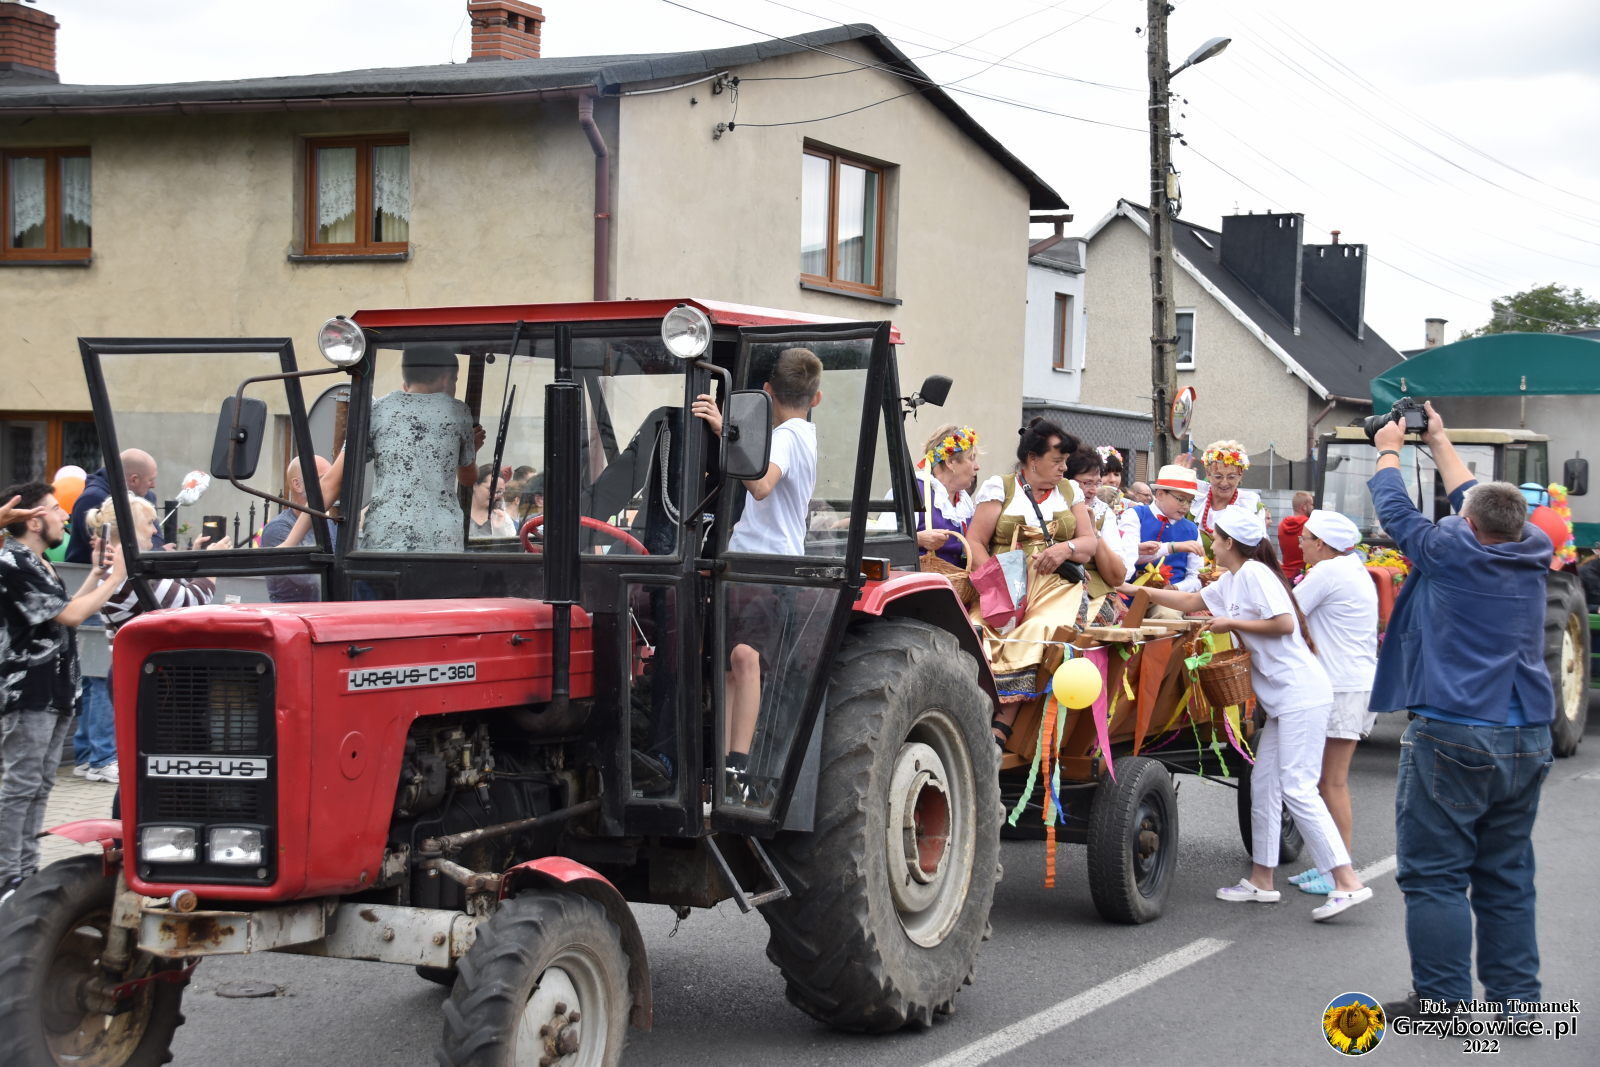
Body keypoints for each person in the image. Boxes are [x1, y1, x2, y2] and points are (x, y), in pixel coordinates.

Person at [1366, 402, 1555, 1023]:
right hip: (1527, 731)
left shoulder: (1450, 549)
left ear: (1467, 523)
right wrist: (1440, 440)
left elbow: (1395, 510)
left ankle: (1443, 1002)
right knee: (1507, 873)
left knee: (1436, 875)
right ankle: (1517, 1004)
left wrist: (1389, 449)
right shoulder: (1533, 549)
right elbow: (1478, 503)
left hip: (1454, 728)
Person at [1128, 505, 1371, 920]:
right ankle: (1262, 879)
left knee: (1297, 787)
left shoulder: (1256, 574)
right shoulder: (1234, 578)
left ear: (1230, 542)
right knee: (1263, 783)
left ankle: (1346, 881)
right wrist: (1139, 592)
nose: (1211, 545)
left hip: (1301, 693)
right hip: (1284, 699)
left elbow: (1284, 623)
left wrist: (1230, 624)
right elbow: (1191, 600)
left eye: (1216, 538)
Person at [692, 348, 822, 799]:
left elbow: (762, 485)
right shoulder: (804, 434)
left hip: (765, 564)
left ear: (766, 392)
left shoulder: (787, 435)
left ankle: (737, 767)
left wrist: (723, 431)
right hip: (754, 559)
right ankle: (723, 765)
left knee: (744, 659)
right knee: (732, 664)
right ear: (817, 397)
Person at [1, 481, 127, 904]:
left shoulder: (37, 563)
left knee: (39, 785)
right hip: (28, 693)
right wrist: (117, 579)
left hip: (54, 690)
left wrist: (97, 574)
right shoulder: (12, 562)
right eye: (56, 509)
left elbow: (60, 609)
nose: (65, 516)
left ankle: (25, 872)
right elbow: (71, 615)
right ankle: (8, 877)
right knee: (20, 786)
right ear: (35, 521)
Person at [965, 419, 1103, 743]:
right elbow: (974, 542)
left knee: (1037, 629)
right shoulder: (1000, 487)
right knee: (977, 630)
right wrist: (997, 583)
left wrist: (1064, 549)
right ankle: (970, 713)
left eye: (1065, 461)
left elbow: (1089, 543)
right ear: (1032, 459)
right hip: (1005, 585)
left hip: (1056, 588)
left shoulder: (1069, 491)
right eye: (1057, 460)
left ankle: (1002, 725)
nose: (1064, 468)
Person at [1283, 509, 1378, 897]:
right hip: (1348, 683)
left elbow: (1284, 613)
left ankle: (1340, 871)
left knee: (1332, 782)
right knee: (1324, 781)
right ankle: (1330, 863)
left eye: (1304, 538)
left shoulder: (1329, 572)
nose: (1300, 543)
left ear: (1321, 543)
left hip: (1343, 687)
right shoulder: (1349, 568)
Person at [358, 345, 480, 552]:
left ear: (406, 377)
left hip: (385, 537)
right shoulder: (458, 411)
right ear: (446, 377)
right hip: (441, 539)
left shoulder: (379, 409)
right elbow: (468, 479)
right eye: (456, 381)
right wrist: (472, 449)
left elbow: (346, 470)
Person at [257, 455, 335, 602]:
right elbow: (311, 579)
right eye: (323, 480)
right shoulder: (278, 529)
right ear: (297, 484)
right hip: (294, 613)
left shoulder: (328, 523)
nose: (330, 487)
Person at [1117, 465, 1205, 593]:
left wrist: (1175, 588)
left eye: (1190, 501)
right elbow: (1124, 559)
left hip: (1172, 598)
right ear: (1160, 494)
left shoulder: (1191, 529)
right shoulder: (1134, 515)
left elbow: (1196, 576)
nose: (1186, 506)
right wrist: (1171, 547)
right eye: (1181, 499)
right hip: (1130, 593)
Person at [65, 448, 161, 564]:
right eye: (150, 480)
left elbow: (156, 538)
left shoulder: (145, 496)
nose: (153, 485)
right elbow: (108, 547)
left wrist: (156, 550)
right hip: (88, 571)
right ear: (134, 480)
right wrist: (159, 551)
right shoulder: (92, 499)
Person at [915, 424, 980, 568]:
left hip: (959, 581)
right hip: (923, 580)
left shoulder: (964, 501)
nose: (977, 467)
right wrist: (918, 539)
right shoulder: (913, 492)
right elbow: (884, 543)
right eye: (971, 458)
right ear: (950, 462)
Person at [1186, 439, 1266, 548]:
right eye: (1218, 476)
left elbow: (1260, 548)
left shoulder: (1251, 507)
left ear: (1240, 475)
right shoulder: (1194, 500)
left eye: (1231, 477)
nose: (1224, 483)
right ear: (1208, 474)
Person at [468, 463, 517, 539]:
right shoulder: (460, 513)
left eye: (499, 491)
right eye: (491, 489)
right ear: (475, 485)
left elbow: (510, 543)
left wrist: (499, 529)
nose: (494, 495)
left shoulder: (503, 517)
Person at [1277, 491, 1314, 579]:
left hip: (1284, 575)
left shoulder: (1281, 525)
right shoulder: (1310, 525)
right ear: (1304, 507)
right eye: (1311, 505)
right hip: (1302, 576)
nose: (1313, 508)